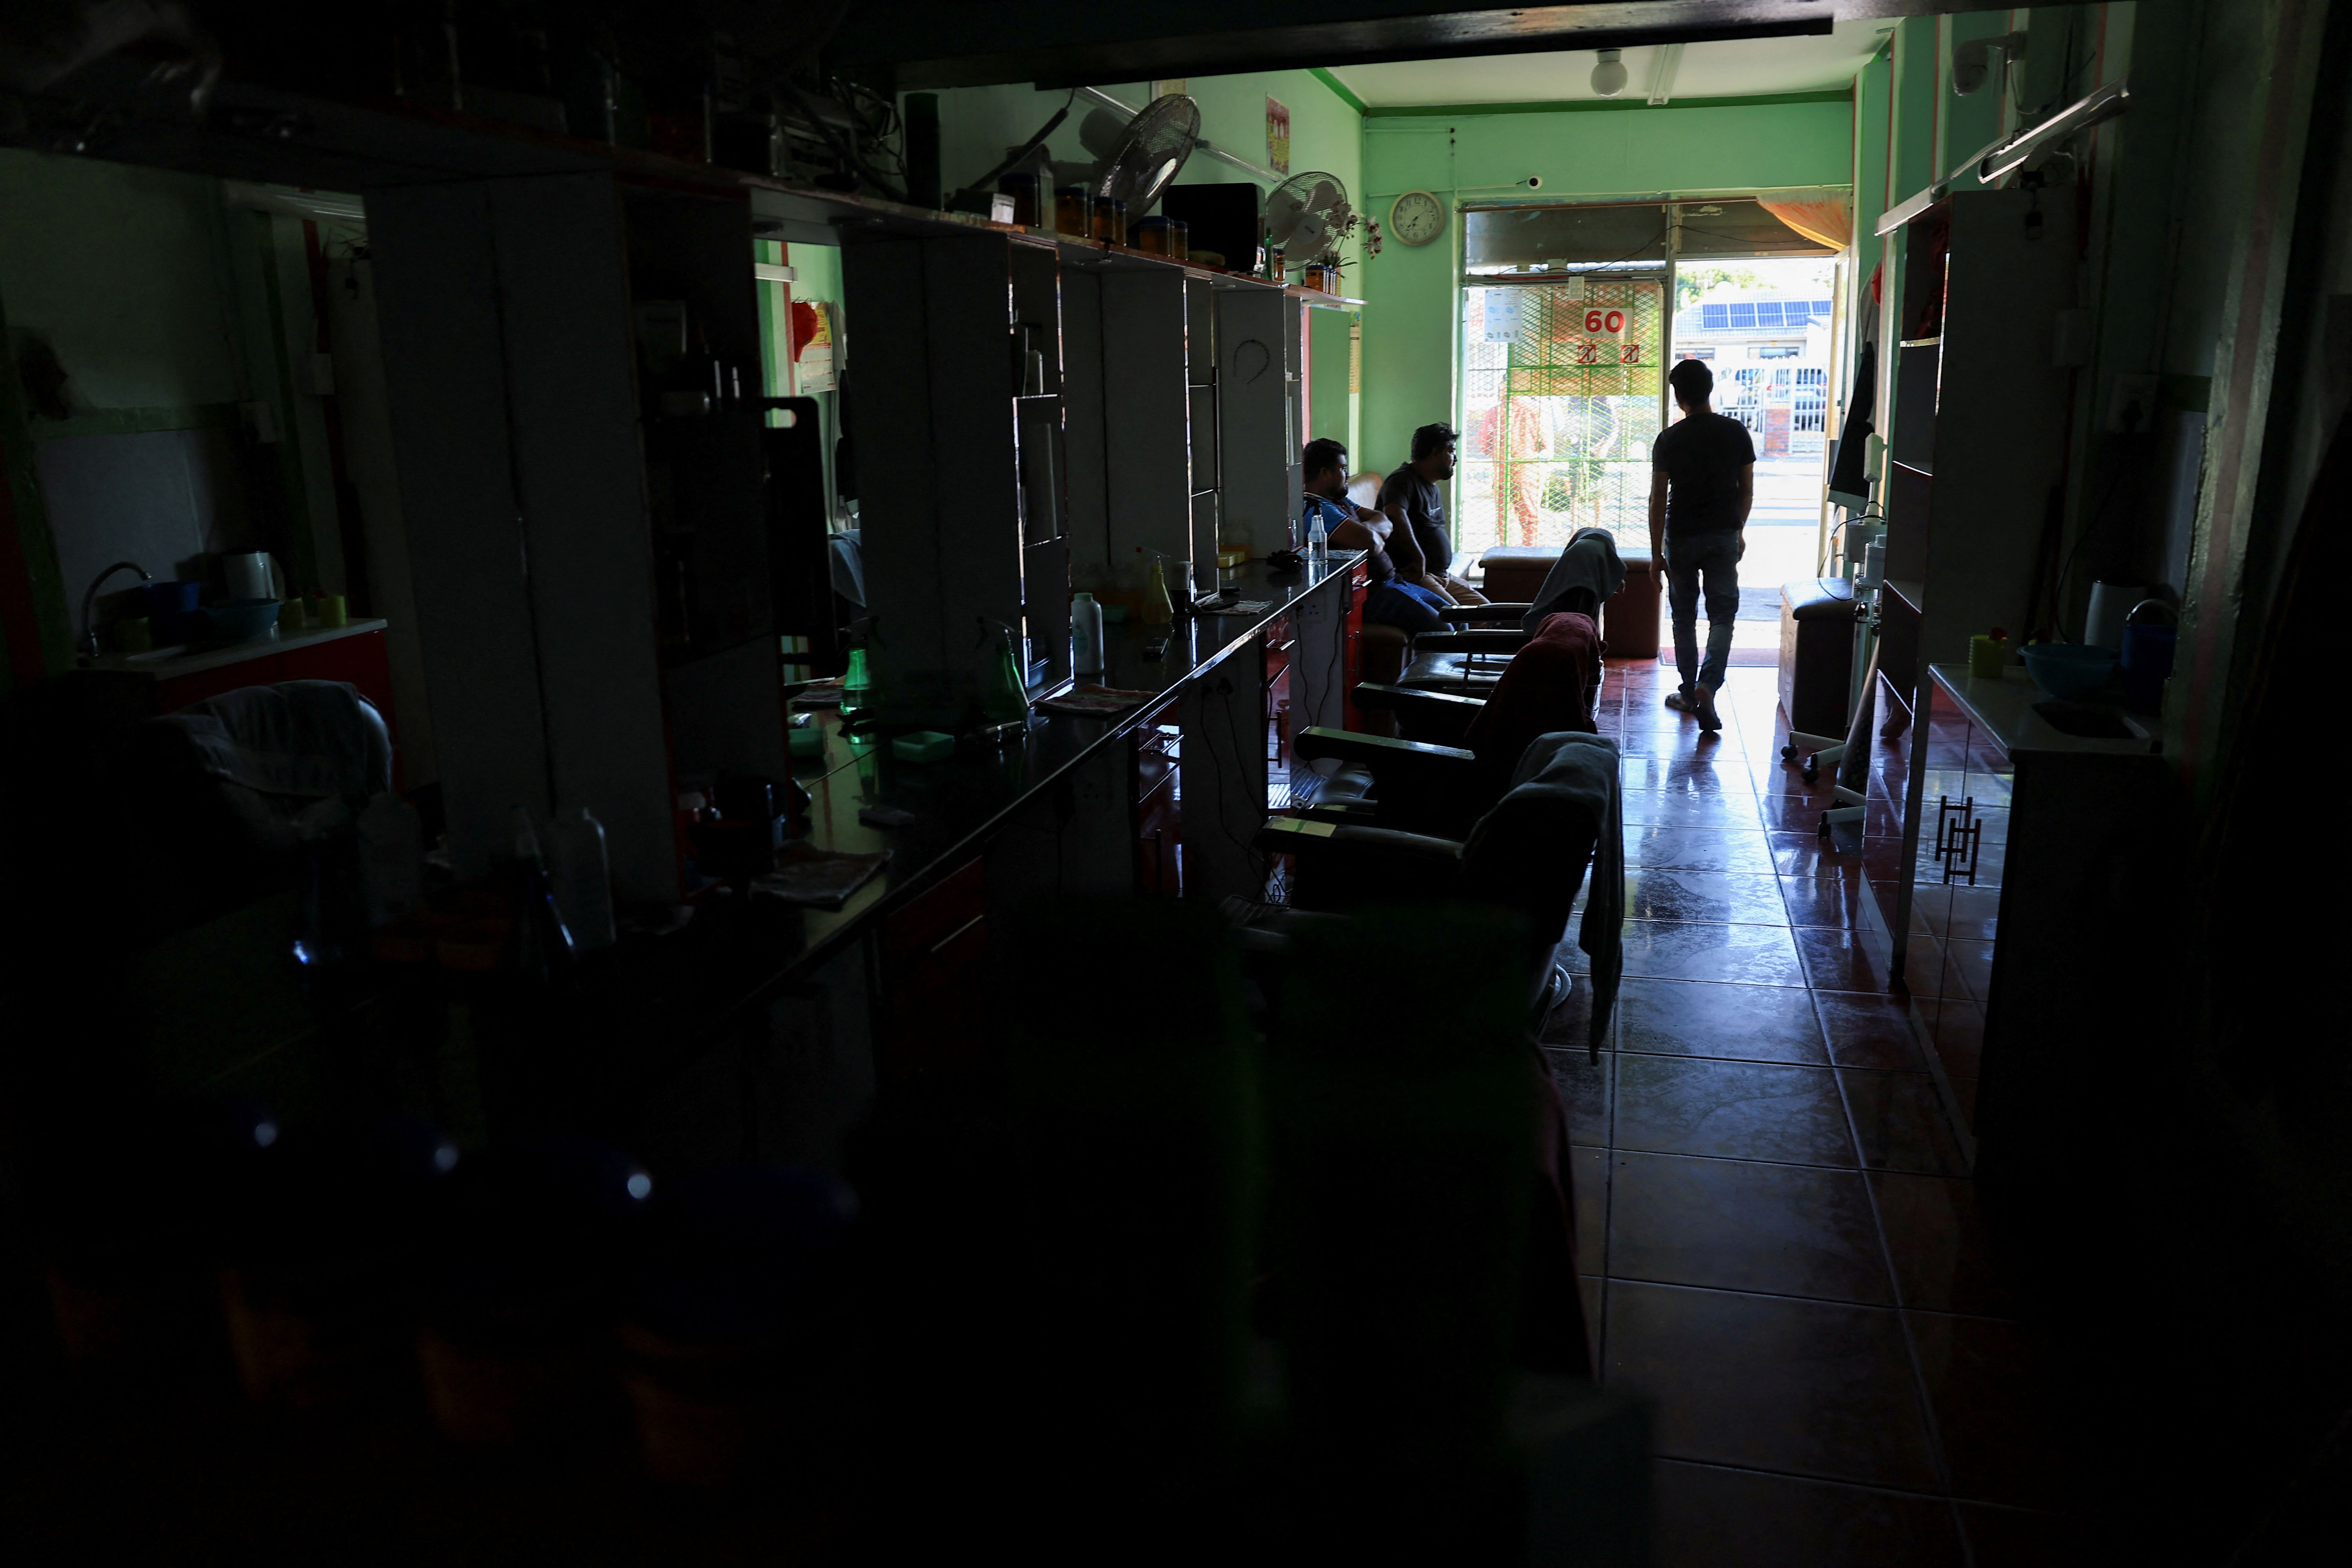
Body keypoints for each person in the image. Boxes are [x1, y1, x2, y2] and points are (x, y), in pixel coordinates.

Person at [1648, 357, 1755, 732]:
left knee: (1683, 617)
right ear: (1710, 391)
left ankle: (1691, 693)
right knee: (1723, 616)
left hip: (1681, 537)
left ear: (1679, 396)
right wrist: (1737, 531)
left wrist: (1655, 553)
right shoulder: (1736, 432)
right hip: (1724, 534)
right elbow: (1746, 491)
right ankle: (1709, 685)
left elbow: (1658, 499)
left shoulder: (1670, 439)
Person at [1300, 437, 1451, 634]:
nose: (1347, 475)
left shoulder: (1339, 500)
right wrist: (1371, 533)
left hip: (1393, 582)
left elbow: (1384, 520)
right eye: (1343, 469)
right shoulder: (1316, 509)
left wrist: (1368, 530)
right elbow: (1371, 542)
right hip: (1371, 593)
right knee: (1444, 629)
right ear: (1325, 473)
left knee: (1453, 615)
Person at [1376, 423, 1488, 603]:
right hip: (1419, 574)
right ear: (1435, 452)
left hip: (1441, 576)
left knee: (1484, 611)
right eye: (1451, 451)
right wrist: (1419, 559)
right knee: (1457, 617)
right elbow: (1394, 514)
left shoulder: (1431, 485)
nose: (1456, 458)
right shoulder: (1402, 480)